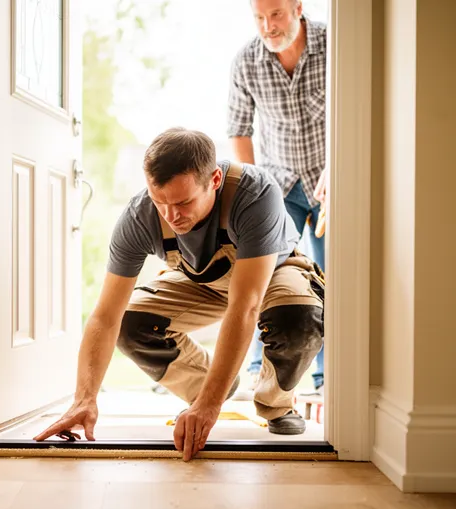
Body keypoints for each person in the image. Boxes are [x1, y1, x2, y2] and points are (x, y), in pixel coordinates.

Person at [34, 128, 325, 460]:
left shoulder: (254, 193)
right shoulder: (139, 215)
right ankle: (207, 386)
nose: (171, 216)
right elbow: (105, 316)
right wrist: (84, 399)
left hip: (271, 276)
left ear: (214, 179)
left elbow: (245, 306)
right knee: (130, 322)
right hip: (200, 281)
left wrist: (209, 409)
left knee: (299, 317)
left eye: (184, 202)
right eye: (160, 202)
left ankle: (275, 404)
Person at [229, 0, 329, 394]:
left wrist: (341, 170)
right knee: (263, 275)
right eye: (259, 17)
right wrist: (256, 190)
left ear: (298, 8)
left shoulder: (334, 45)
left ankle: (325, 378)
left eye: (276, 15)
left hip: (331, 178)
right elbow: (239, 129)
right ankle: (258, 370)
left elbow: (359, 108)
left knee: (328, 277)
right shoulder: (246, 61)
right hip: (279, 182)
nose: (267, 27)